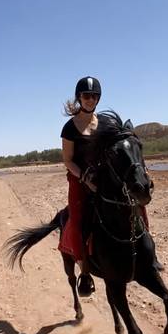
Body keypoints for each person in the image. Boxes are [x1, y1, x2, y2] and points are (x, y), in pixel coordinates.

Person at [58, 76, 101, 296]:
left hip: (103, 178)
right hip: (79, 180)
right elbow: (68, 160)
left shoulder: (103, 123)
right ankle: (85, 272)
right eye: (86, 95)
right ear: (79, 98)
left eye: (94, 96)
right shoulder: (70, 127)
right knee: (76, 221)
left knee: (134, 203)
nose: (90, 99)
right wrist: (85, 178)